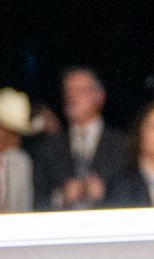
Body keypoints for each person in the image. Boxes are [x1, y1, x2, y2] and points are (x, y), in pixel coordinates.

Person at [30, 65, 119, 209]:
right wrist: (61, 197)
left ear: (99, 96)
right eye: (68, 91)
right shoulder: (48, 146)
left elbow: (135, 195)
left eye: (80, 91)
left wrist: (106, 193)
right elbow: (36, 199)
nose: (72, 97)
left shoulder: (120, 144)